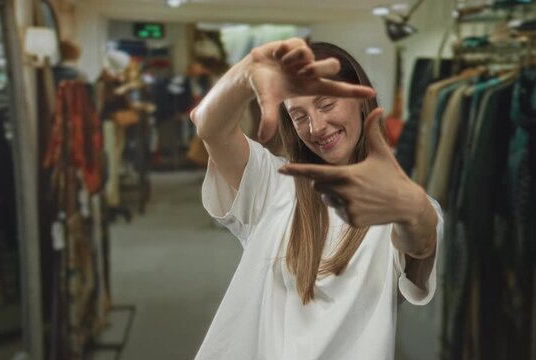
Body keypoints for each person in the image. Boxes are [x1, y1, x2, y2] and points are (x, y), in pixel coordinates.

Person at [190, 38, 444, 360]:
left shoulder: (400, 206)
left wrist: (411, 207)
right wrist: (247, 72)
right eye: (299, 116)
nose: (316, 127)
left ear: (360, 99)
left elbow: (419, 239)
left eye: (326, 105)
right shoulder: (275, 183)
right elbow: (209, 125)